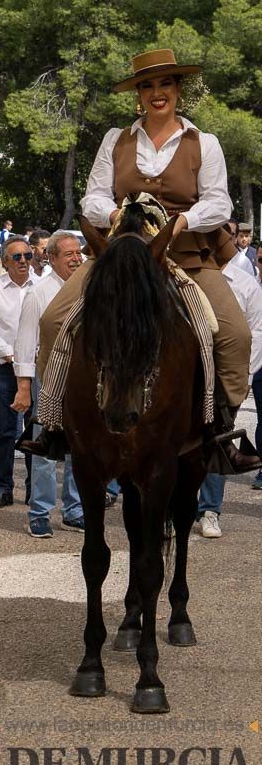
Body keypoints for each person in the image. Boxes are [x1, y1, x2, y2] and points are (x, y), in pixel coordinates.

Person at [28, 48, 259, 475]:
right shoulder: (115, 139)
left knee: (235, 335)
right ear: (139, 94)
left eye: (165, 84)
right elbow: (93, 196)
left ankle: (219, 432)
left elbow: (218, 201)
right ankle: (54, 423)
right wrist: (115, 214)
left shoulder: (203, 143)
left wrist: (179, 220)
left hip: (184, 255)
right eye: (148, 85)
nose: (157, 93)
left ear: (178, 90)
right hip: (120, 255)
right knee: (52, 321)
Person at [12, 231, 85, 537]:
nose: (75, 258)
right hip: (49, 376)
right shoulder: (38, 293)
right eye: (67, 254)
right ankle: (40, 511)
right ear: (51, 258)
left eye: (78, 253)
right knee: (46, 446)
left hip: (82, 376)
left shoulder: (89, 288)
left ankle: (74, 509)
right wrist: (25, 386)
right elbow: (26, 342)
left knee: (80, 447)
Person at [196, 248, 262, 537]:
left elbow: (256, 333)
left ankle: (210, 510)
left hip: (223, 376)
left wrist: (242, 375)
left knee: (218, 437)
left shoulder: (245, 284)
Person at [0, 235, 35, 508]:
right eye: (17, 257)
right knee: (5, 430)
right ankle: (3, 488)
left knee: (36, 431)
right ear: (5, 262)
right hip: (5, 368)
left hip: (37, 368)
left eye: (27, 256)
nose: (23, 261)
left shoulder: (42, 287)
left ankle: (34, 488)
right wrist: (12, 356)